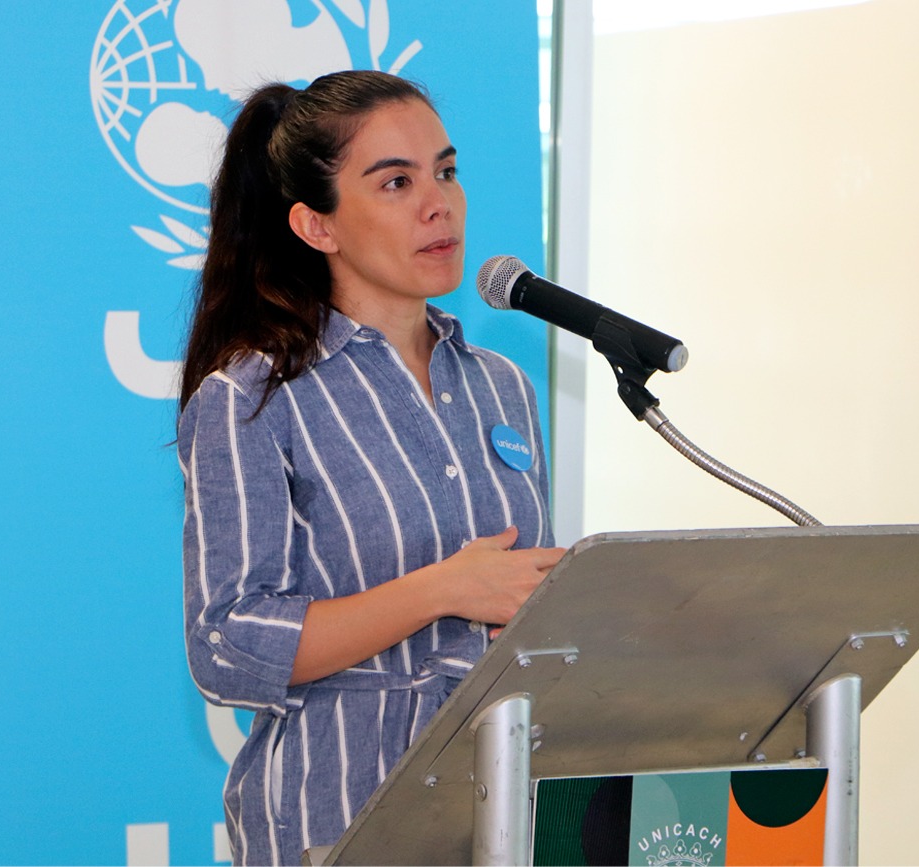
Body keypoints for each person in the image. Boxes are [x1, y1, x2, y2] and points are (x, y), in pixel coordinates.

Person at [177, 70, 565, 866]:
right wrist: (441, 589)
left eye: (446, 172)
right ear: (318, 227)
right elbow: (226, 642)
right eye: (396, 181)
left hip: (502, 816)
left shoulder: (504, 387)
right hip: (337, 819)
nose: (440, 203)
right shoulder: (250, 398)